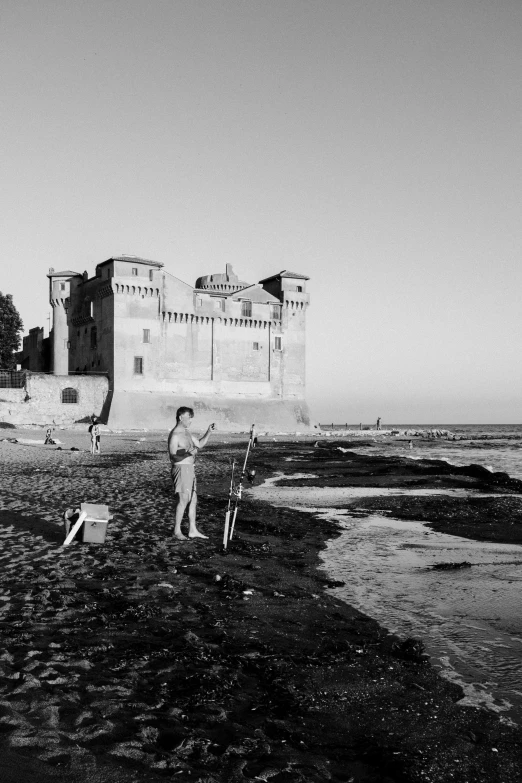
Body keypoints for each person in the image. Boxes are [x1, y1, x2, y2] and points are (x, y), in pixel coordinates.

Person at [167, 407, 215, 540]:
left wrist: (209, 432)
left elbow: (199, 444)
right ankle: (176, 531)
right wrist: (189, 453)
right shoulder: (175, 434)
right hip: (181, 469)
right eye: (189, 417)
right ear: (181, 417)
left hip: (190, 469)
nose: (191, 420)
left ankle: (192, 530)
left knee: (193, 500)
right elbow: (173, 457)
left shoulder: (187, 432)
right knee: (183, 500)